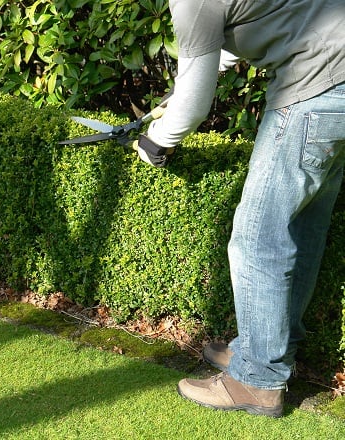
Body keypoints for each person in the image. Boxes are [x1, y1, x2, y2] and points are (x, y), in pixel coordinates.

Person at [133, 0, 345, 417]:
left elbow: (196, 101)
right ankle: (266, 348)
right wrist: (174, 99)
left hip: (315, 88)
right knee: (303, 225)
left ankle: (258, 379)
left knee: (257, 239)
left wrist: (158, 139)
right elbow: (230, 38)